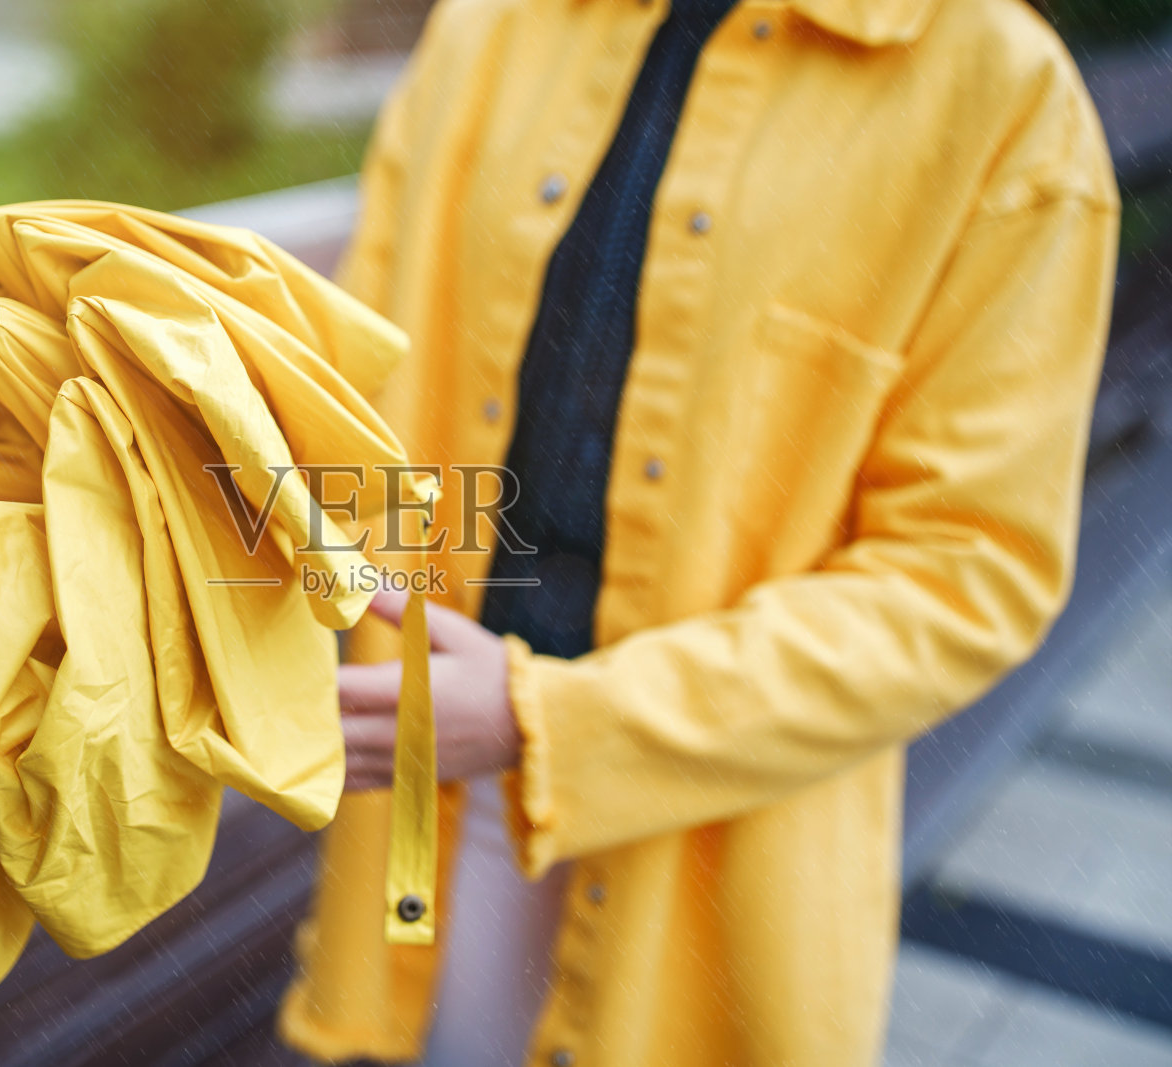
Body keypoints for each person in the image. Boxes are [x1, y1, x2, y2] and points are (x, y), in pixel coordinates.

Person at [277, 0, 1120, 1063]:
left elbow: (965, 572)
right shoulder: (491, 22)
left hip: (719, 818)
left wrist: (553, 726)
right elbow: (362, 362)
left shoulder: (1002, 96)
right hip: (423, 753)